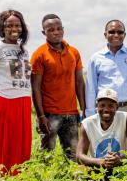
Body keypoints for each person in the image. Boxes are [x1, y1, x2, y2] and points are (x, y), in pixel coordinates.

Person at [0, 9, 32, 175]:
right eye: (9, 25)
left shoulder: (23, 50)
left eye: (17, 25)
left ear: (22, 28)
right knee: (4, 149)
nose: (13, 28)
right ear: (2, 28)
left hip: (22, 103)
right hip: (3, 102)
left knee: (21, 147)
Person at [30, 14, 86, 160]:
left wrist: (84, 108)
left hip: (72, 113)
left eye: (59, 28)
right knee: (46, 154)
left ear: (63, 29)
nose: (56, 32)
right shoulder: (39, 55)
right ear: (44, 33)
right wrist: (41, 116)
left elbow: (79, 82)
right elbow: (35, 88)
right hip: (49, 114)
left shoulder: (73, 52)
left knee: (73, 155)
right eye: (51, 30)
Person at [86, 20, 127, 139]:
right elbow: (91, 89)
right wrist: (91, 116)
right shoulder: (96, 58)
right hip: (104, 109)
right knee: (105, 146)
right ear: (105, 34)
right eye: (112, 32)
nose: (116, 35)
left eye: (120, 32)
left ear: (124, 35)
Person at [77, 88, 127, 169]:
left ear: (117, 107)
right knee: (79, 172)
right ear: (96, 106)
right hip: (97, 167)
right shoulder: (87, 124)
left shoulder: (125, 118)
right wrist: (102, 162)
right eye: (102, 105)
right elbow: (79, 156)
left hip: (120, 166)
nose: (106, 109)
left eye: (111, 106)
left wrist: (120, 159)